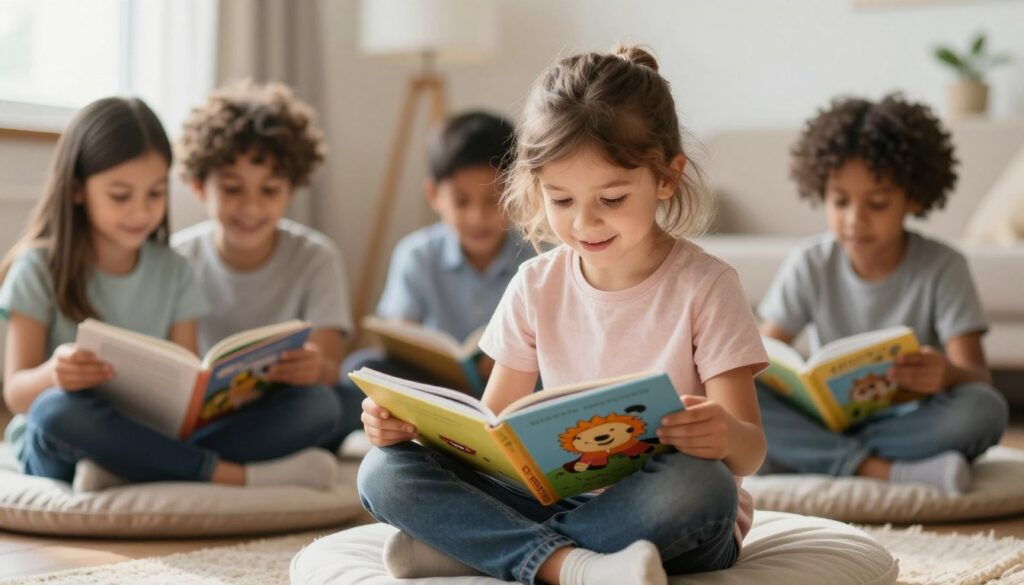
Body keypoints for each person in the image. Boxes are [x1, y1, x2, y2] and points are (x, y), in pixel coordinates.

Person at [356, 46, 769, 585]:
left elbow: (751, 451)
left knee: (703, 484)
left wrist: (722, 436)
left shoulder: (706, 285)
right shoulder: (535, 283)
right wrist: (410, 428)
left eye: (613, 198)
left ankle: (481, 548)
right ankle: (570, 565)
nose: (586, 222)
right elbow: (492, 432)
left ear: (667, 178)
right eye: (561, 199)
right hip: (550, 501)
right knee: (383, 471)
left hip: (668, 511)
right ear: (534, 187)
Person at [0, 97, 336, 492]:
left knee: (319, 407)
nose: (140, 212)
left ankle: (124, 469)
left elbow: (189, 382)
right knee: (55, 412)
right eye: (120, 196)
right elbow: (16, 395)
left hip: (150, 433)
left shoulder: (174, 269)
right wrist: (53, 374)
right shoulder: (38, 269)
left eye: (155, 194)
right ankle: (230, 475)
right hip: (70, 433)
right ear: (77, 190)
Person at [756, 94, 1008, 494]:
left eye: (877, 203)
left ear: (914, 198)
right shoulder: (809, 262)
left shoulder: (944, 267)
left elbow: (976, 376)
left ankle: (814, 456)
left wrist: (944, 374)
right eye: (840, 201)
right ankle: (883, 470)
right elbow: (760, 357)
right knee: (738, 393)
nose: (856, 219)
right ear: (820, 192)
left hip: (908, 421)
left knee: (984, 409)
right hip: (825, 418)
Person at [173, 81, 359, 454]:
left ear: (291, 189)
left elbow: (329, 366)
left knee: (337, 402)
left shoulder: (316, 257)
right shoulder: (178, 258)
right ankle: (253, 457)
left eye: (269, 190)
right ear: (199, 187)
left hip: (284, 404)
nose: (251, 208)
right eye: (232, 189)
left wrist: (313, 367)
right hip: (205, 414)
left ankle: (191, 455)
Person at [345, 111, 533, 390]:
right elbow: (399, 334)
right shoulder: (417, 254)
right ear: (434, 195)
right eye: (461, 202)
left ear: (516, 191)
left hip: (513, 385)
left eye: (493, 200)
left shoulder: (537, 259)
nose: (477, 217)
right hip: (435, 387)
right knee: (361, 367)